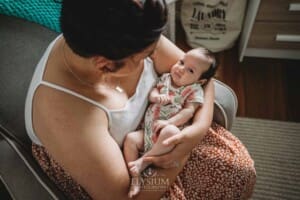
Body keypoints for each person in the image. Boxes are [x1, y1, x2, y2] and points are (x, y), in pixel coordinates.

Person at [24, 0, 256, 199]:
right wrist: (180, 153)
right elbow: (126, 196)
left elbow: (204, 78)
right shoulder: (65, 114)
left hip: (159, 126)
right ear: (105, 65)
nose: (158, 53)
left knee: (239, 171)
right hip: (115, 170)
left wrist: (197, 130)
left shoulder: (130, 30)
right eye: (147, 56)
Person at [124, 47, 218, 198]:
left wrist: (170, 122)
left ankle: (144, 161)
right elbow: (154, 91)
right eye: (181, 62)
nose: (181, 69)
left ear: (200, 81)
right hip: (149, 130)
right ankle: (136, 178)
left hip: (167, 134)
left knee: (171, 132)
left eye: (190, 71)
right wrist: (154, 97)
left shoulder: (193, 90)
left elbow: (188, 111)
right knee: (130, 139)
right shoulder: (166, 78)